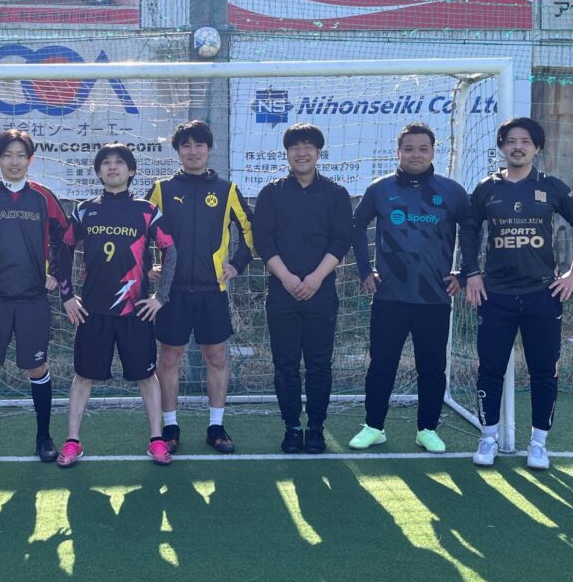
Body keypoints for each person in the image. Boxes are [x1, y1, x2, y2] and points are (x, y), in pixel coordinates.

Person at [460, 117, 573, 470]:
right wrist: (471, 273)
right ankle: (487, 438)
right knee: (490, 369)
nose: (517, 147)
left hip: (541, 295)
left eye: (525, 141)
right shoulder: (486, 188)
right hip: (495, 295)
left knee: (543, 371)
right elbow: (469, 231)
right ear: (502, 147)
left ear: (537, 147)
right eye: (511, 141)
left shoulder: (551, 187)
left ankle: (538, 444)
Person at [348, 123, 471, 454]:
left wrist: (464, 273)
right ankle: (374, 427)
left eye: (423, 149)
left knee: (431, 367)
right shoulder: (380, 189)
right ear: (398, 151)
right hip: (390, 296)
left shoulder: (451, 191)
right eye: (409, 149)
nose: (415, 154)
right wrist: (365, 270)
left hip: (434, 297)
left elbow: (471, 230)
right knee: (382, 364)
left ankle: (427, 429)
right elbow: (356, 227)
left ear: (433, 152)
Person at [55, 144, 178, 467]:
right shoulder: (85, 210)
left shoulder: (147, 210)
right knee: (83, 376)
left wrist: (160, 297)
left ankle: (156, 440)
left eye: (119, 162)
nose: (112, 167)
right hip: (92, 311)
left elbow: (170, 251)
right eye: (106, 163)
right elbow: (62, 250)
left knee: (146, 376)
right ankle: (73, 442)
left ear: (131, 170)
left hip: (134, 311)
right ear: (98, 171)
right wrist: (67, 296)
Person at [0, 129, 69, 468]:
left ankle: (44, 437)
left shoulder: (43, 197)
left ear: (30, 159)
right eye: (7, 155)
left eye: (21, 155)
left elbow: (66, 238)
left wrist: (56, 275)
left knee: (36, 367)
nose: (14, 161)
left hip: (32, 298)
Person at [147, 120, 255, 454]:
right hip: (172, 292)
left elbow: (251, 232)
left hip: (212, 290)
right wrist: (148, 266)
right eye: (186, 145)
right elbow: (139, 230)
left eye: (199, 145)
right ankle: (170, 428)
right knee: (169, 359)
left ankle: (216, 427)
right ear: (178, 151)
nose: (193, 151)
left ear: (209, 149)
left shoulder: (227, 190)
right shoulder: (162, 189)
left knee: (216, 357)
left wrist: (237, 264)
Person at [252, 123, 353, 453]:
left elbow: (341, 240)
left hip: (321, 292)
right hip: (282, 293)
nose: (301, 152)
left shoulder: (336, 194)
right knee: (285, 364)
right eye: (295, 147)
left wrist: (316, 277)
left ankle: (316, 428)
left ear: (318, 152)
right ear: (287, 153)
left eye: (308, 146)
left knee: (319, 364)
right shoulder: (271, 193)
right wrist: (287, 277)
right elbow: (263, 241)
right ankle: (292, 428)